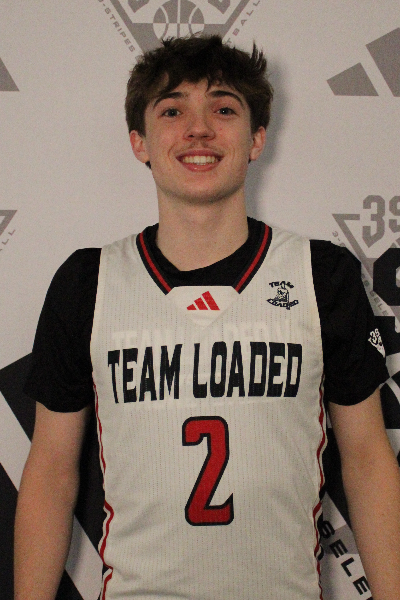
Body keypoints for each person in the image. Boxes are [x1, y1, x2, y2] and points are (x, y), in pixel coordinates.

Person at [14, 35, 400, 600]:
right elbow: (51, 469)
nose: (198, 129)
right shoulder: (88, 282)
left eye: (223, 109)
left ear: (257, 138)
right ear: (139, 141)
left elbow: (367, 458)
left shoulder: (321, 274)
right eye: (172, 111)